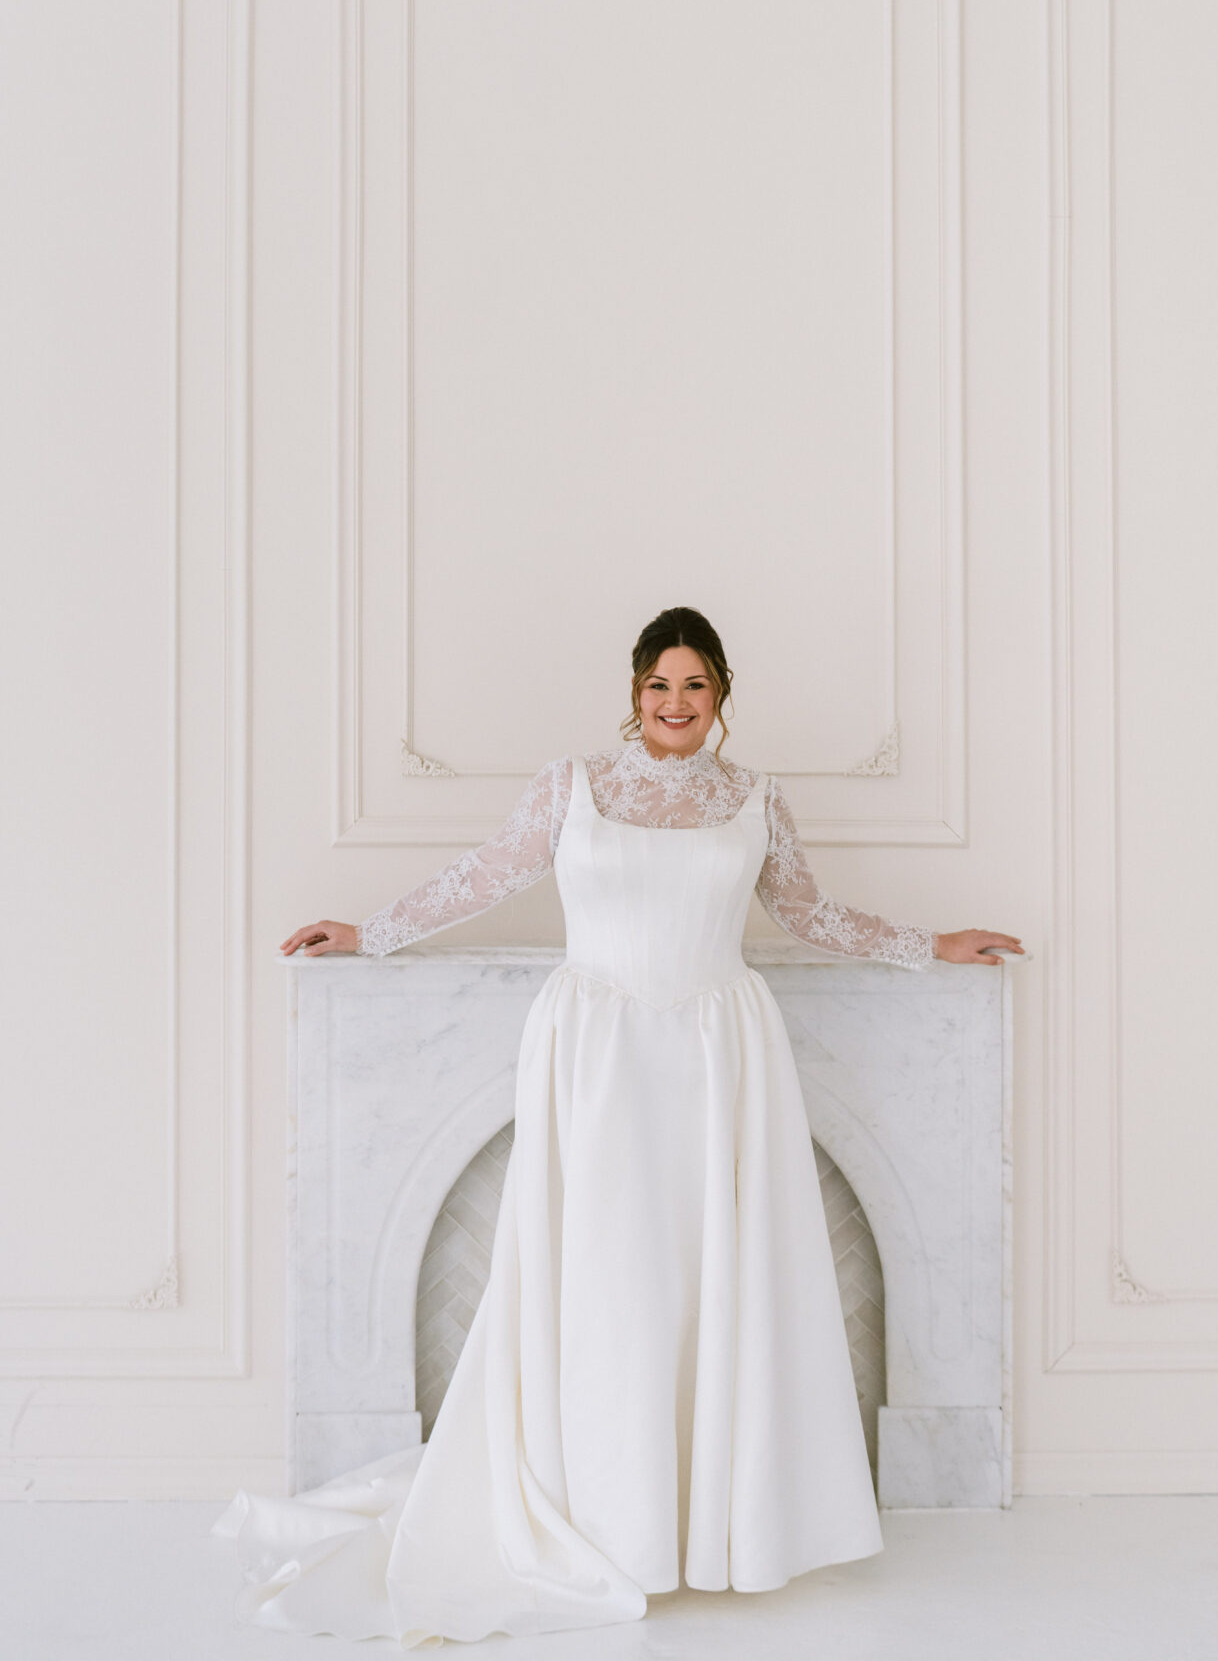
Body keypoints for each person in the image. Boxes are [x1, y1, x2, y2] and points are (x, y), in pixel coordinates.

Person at [213, 607, 1023, 1646]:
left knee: (711, 1279)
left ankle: (708, 1525)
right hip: (594, 1054)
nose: (674, 705)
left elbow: (811, 916)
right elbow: (488, 872)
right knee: (603, 1278)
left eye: (693, 687)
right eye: (657, 687)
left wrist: (930, 943)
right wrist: (368, 934)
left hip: (717, 1057)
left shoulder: (753, 800)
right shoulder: (572, 786)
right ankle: (603, 1512)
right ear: (633, 694)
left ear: (721, 696)